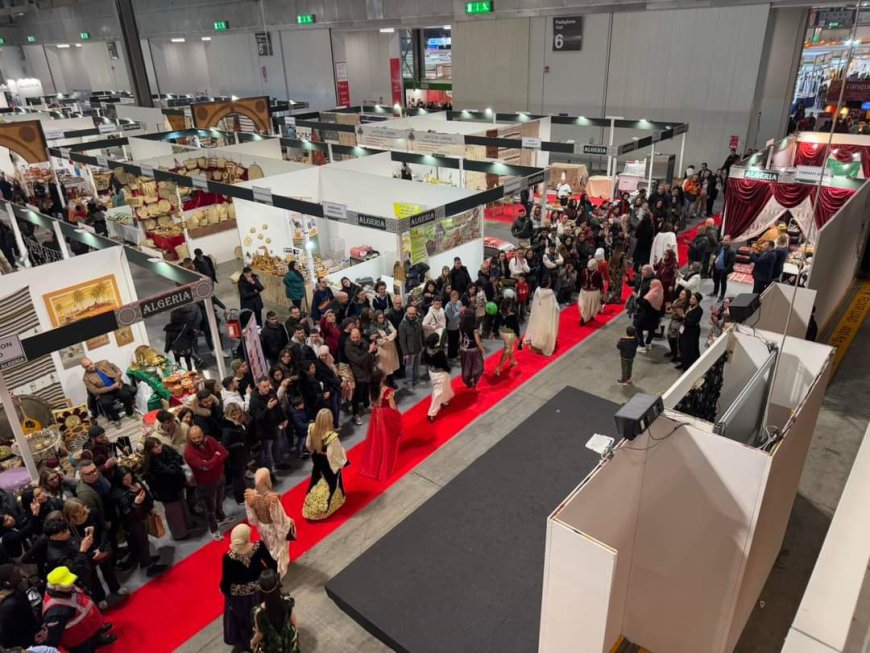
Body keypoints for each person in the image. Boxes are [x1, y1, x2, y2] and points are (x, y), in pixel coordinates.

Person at [220, 524, 277, 651]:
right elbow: (273, 565)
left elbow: (226, 582)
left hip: (241, 599)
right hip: (262, 592)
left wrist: (225, 591)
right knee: (265, 615)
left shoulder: (228, 557)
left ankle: (252, 643)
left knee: (245, 621)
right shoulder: (259, 546)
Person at [62, 499, 126, 604]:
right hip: (86, 551)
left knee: (108, 569)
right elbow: (74, 543)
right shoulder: (70, 525)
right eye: (77, 511)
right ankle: (100, 597)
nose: (81, 512)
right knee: (92, 576)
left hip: (100, 546)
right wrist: (88, 552)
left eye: (81, 508)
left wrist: (100, 548)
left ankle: (115, 587)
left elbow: (104, 529)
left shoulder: (93, 512)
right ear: (70, 513)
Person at [42, 566, 116, 652]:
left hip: (88, 628)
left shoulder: (65, 589)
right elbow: (54, 635)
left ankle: (98, 639)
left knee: (92, 641)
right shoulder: (55, 611)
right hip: (78, 641)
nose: (71, 584)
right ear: (55, 587)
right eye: (67, 583)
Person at [110, 466, 168, 577]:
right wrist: (136, 503)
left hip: (140, 516)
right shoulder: (119, 493)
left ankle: (145, 560)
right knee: (142, 541)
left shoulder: (134, 482)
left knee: (143, 540)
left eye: (129, 477)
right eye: (125, 479)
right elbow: (125, 513)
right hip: (132, 521)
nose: (128, 481)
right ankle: (148, 565)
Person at [244, 469, 295, 579]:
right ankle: (280, 570)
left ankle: (274, 565)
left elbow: (252, 519)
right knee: (280, 547)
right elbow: (278, 518)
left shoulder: (250, 496)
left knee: (269, 546)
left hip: (263, 527)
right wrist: (288, 523)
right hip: (273, 527)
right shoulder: (272, 499)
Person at [184, 425, 230, 541]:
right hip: (206, 483)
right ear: (189, 438)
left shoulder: (210, 439)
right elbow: (206, 467)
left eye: (199, 436)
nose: (197, 440)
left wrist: (211, 461)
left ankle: (221, 517)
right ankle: (214, 529)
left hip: (220, 476)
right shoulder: (189, 452)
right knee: (210, 507)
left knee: (220, 498)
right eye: (193, 438)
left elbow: (224, 452)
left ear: (203, 433)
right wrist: (216, 456)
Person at [302, 409, 348, 521]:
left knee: (316, 477)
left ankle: (311, 505)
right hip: (327, 462)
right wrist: (342, 463)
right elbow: (335, 455)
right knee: (332, 481)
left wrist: (315, 452)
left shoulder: (311, 427)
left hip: (317, 459)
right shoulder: (331, 436)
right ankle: (332, 503)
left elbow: (308, 445)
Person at [142, 437, 190, 541]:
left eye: (159, 445)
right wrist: (174, 466)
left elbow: (178, 458)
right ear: (150, 450)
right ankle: (179, 533)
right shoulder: (151, 463)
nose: (159, 448)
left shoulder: (166, 449)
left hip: (177, 484)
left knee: (182, 505)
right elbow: (167, 472)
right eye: (155, 447)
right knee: (174, 512)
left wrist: (173, 466)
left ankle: (187, 525)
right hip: (166, 491)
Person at [358, 371, 403, 481]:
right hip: (386, 415)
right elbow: (392, 407)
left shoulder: (372, 390)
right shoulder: (387, 390)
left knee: (377, 439)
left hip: (376, 415)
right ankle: (383, 464)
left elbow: (372, 403)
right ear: (382, 379)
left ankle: (376, 462)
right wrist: (397, 416)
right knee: (387, 439)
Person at [250, 568, 301, 653]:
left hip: (272, 646)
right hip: (288, 640)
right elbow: (293, 619)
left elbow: (259, 634)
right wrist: (294, 632)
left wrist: (252, 643)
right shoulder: (287, 600)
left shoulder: (258, 612)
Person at [80, 357, 134, 426]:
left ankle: (130, 413)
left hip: (117, 386)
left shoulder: (103, 363)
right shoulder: (86, 378)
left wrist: (118, 372)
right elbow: (94, 391)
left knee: (126, 394)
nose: (90, 366)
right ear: (84, 368)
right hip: (104, 393)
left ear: (92, 362)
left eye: (90, 364)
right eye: (87, 366)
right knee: (105, 403)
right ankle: (116, 419)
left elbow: (114, 366)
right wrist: (111, 388)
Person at [0, 564, 40, 648]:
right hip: (25, 643)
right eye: (16, 573)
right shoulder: (9, 605)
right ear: (7, 582)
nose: (21, 574)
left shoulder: (17, 588)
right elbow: (9, 634)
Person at [344, 328, 376, 426]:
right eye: (353, 337)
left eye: (357, 337)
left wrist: (373, 352)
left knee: (366, 390)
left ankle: (366, 406)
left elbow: (369, 354)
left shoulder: (363, 341)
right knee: (356, 395)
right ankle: (355, 414)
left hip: (367, 371)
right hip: (357, 373)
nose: (356, 339)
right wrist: (370, 352)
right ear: (350, 336)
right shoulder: (348, 347)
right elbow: (358, 360)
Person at [421, 333, 453, 423]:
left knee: (446, 385)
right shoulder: (439, 352)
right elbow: (443, 364)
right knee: (438, 392)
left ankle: (444, 401)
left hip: (432, 372)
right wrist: (448, 369)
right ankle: (431, 413)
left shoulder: (426, 350)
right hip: (440, 373)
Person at [526, 279, 559, 356]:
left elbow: (534, 303)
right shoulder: (550, 293)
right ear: (548, 284)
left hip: (538, 314)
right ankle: (544, 345)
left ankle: (535, 344)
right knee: (545, 330)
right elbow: (555, 307)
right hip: (546, 316)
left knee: (537, 328)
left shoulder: (537, 291)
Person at [369, 310, 400, 385]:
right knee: (384, 367)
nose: (381, 319)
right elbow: (379, 341)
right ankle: (384, 384)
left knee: (391, 365)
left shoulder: (387, 322)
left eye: (382, 317)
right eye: (379, 318)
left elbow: (395, 332)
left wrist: (387, 338)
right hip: (382, 349)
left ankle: (391, 381)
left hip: (391, 346)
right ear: (376, 318)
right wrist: (387, 339)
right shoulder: (373, 326)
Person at [398, 305, 424, 391]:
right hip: (409, 351)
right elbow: (402, 341)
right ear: (406, 313)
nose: (412, 315)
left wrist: (423, 345)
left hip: (418, 348)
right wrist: (405, 353)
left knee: (417, 366)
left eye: (413, 313)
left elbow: (421, 333)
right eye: (410, 314)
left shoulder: (418, 320)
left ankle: (417, 380)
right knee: (409, 368)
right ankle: (409, 383)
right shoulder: (402, 325)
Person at [634, 279, 664, 352]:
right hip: (655, 315)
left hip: (646, 315)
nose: (650, 286)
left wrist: (637, 298)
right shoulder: (660, 292)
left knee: (638, 327)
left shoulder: (652, 294)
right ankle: (648, 343)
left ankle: (641, 345)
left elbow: (645, 304)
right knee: (651, 330)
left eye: (652, 284)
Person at [458, 307, 484, 389]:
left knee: (466, 366)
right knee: (477, 366)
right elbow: (477, 340)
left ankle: (468, 381)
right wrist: (482, 348)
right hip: (473, 349)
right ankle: (474, 381)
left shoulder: (461, 324)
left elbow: (461, 338)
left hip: (464, 349)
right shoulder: (474, 327)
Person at [493, 298, 520, 376]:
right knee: (507, 349)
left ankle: (511, 360)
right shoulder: (512, 314)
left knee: (510, 347)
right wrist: (518, 336)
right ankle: (499, 367)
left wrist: (493, 332)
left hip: (502, 332)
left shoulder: (500, 312)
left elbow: (496, 323)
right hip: (509, 334)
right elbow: (516, 326)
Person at [677, 293, 704, 370]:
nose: (691, 300)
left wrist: (683, 316)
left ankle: (687, 366)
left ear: (698, 301)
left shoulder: (699, 310)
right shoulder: (688, 306)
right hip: (684, 329)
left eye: (693, 299)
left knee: (689, 348)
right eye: (691, 298)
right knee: (681, 345)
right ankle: (682, 362)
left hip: (692, 331)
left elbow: (692, 322)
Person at [667, 288, 690, 363]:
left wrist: (676, 311)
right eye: (681, 293)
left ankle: (676, 355)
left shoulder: (686, 305)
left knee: (675, 339)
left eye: (683, 294)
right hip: (672, 321)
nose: (680, 295)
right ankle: (672, 351)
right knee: (669, 337)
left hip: (679, 323)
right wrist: (670, 309)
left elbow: (682, 315)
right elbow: (672, 310)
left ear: (687, 296)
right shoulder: (677, 300)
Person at [578, 259, 604, 325]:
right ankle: (592, 315)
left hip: (584, 292)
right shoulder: (597, 273)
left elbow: (581, 280)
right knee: (593, 305)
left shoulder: (583, 271)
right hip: (594, 292)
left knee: (584, 305)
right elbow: (600, 283)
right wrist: (602, 291)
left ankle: (583, 317)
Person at [710, 235, 735, 301]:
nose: (724, 241)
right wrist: (714, 256)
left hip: (723, 270)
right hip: (716, 268)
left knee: (723, 283)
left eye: (726, 240)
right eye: (723, 240)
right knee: (716, 281)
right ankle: (715, 292)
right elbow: (715, 254)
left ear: (730, 241)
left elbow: (731, 263)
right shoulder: (720, 247)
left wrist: (725, 271)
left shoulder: (732, 251)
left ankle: (722, 295)